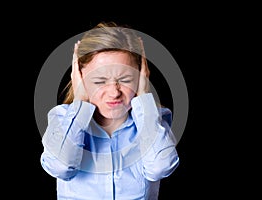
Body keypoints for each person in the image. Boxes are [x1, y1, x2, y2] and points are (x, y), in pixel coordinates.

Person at [40, 21, 179, 200]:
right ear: (79, 78)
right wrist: (80, 101)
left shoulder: (153, 120)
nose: (114, 93)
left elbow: (161, 167)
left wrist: (144, 94)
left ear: (141, 75)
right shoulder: (62, 119)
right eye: (99, 81)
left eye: (126, 79)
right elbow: (60, 167)